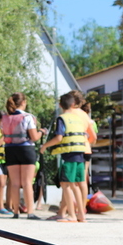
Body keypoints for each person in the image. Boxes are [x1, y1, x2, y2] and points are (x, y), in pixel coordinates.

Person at [39, 93, 87, 222]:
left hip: (69, 155)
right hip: (80, 154)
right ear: (73, 104)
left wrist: (44, 146)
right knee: (75, 185)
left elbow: (59, 138)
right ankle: (81, 215)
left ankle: (71, 215)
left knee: (66, 185)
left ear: (60, 105)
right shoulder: (78, 118)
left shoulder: (62, 118)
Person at [1, 92, 47, 220]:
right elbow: (34, 137)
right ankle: (30, 212)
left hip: (10, 150)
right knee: (27, 182)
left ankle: (15, 212)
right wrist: (42, 132)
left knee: (15, 183)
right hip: (26, 149)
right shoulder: (27, 117)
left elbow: (3, 133)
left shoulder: (5, 118)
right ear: (23, 103)